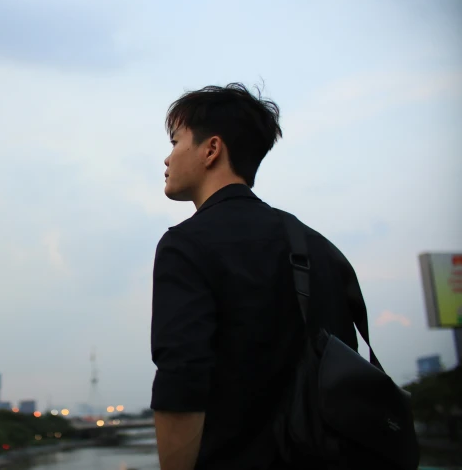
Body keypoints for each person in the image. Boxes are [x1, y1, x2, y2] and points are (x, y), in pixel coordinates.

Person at [150, 83, 368, 469]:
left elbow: (182, 380)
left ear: (211, 149)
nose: (167, 159)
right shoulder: (318, 246)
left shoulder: (184, 245)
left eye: (175, 142)